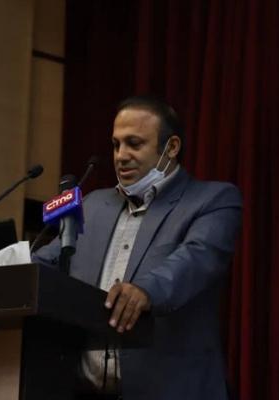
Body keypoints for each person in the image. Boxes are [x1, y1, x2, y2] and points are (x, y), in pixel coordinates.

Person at [33, 96, 242, 400]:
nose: (121, 156)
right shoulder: (93, 205)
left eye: (134, 144)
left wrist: (146, 290)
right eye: (116, 145)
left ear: (171, 147)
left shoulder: (213, 200)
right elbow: (48, 261)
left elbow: (195, 259)